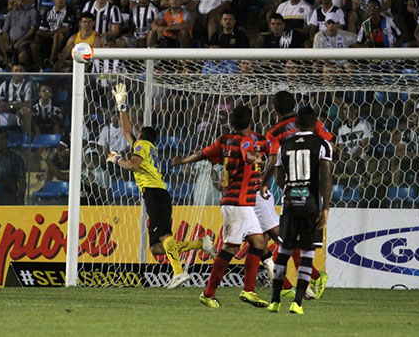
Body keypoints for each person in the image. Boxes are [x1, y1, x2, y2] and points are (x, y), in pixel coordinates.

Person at [107, 83, 216, 288]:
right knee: (157, 248)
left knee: (165, 236)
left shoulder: (141, 147)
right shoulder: (148, 147)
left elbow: (133, 164)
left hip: (154, 194)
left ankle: (179, 272)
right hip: (158, 193)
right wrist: (122, 106)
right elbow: (127, 131)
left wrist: (116, 159)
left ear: (141, 138)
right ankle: (201, 244)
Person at [174, 104, 270, 308]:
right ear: (250, 122)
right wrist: (256, 158)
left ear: (232, 123)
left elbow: (203, 153)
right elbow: (248, 155)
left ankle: (249, 290)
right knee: (230, 247)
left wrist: (183, 160)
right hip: (238, 203)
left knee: (259, 242)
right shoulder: (245, 142)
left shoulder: (224, 140)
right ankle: (208, 293)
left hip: (243, 203)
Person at [261, 91, 332, 300]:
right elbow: (331, 146)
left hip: (292, 189)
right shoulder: (311, 122)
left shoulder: (274, 132)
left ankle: (306, 281)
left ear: (274, 111)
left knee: (287, 239)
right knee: (293, 240)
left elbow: (274, 160)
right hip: (313, 189)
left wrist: (265, 182)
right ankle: (309, 281)